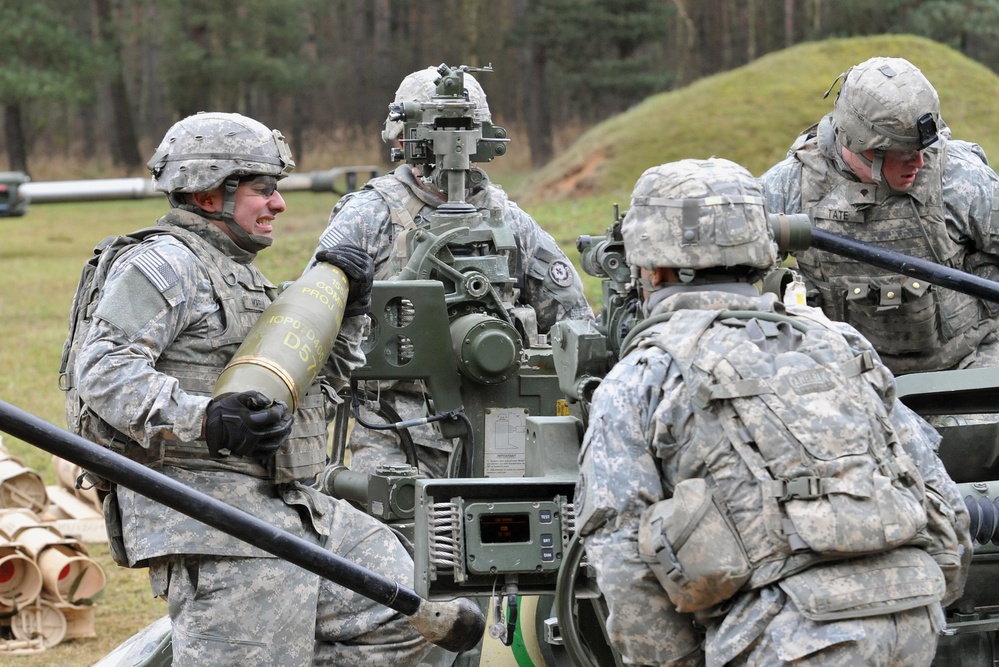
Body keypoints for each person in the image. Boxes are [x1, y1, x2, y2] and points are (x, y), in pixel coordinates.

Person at [575, 157, 971, 666]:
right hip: (912, 621)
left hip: (781, 637)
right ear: (763, 250)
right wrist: (926, 599)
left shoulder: (642, 377)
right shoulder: (840, 343)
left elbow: (623, 560)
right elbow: (939, 499)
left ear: (650, 267)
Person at [73, 112, 431, 667]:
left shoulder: (240, 275)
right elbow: (100, 369)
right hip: (210, 511)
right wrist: (207, 417)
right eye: (264, 190)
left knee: (408, 611)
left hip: (285, 503)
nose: (279, 204)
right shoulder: (163, 263)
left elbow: (317, 390)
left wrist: (350, 312)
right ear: (211, 195)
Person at [310, 66, 593, 478]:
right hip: (396, 430)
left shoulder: (511, 224)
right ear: (403, 139)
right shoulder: (369, 217)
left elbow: (574, 326)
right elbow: (313, 319)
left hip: (502, 425)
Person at [759, 56, 999, 377]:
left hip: (964, 361)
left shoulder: (961, 179)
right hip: (845, 372)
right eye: (903, 153)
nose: (920, 163)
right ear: (861, 145)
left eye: (923, 148)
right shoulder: (791, 186)